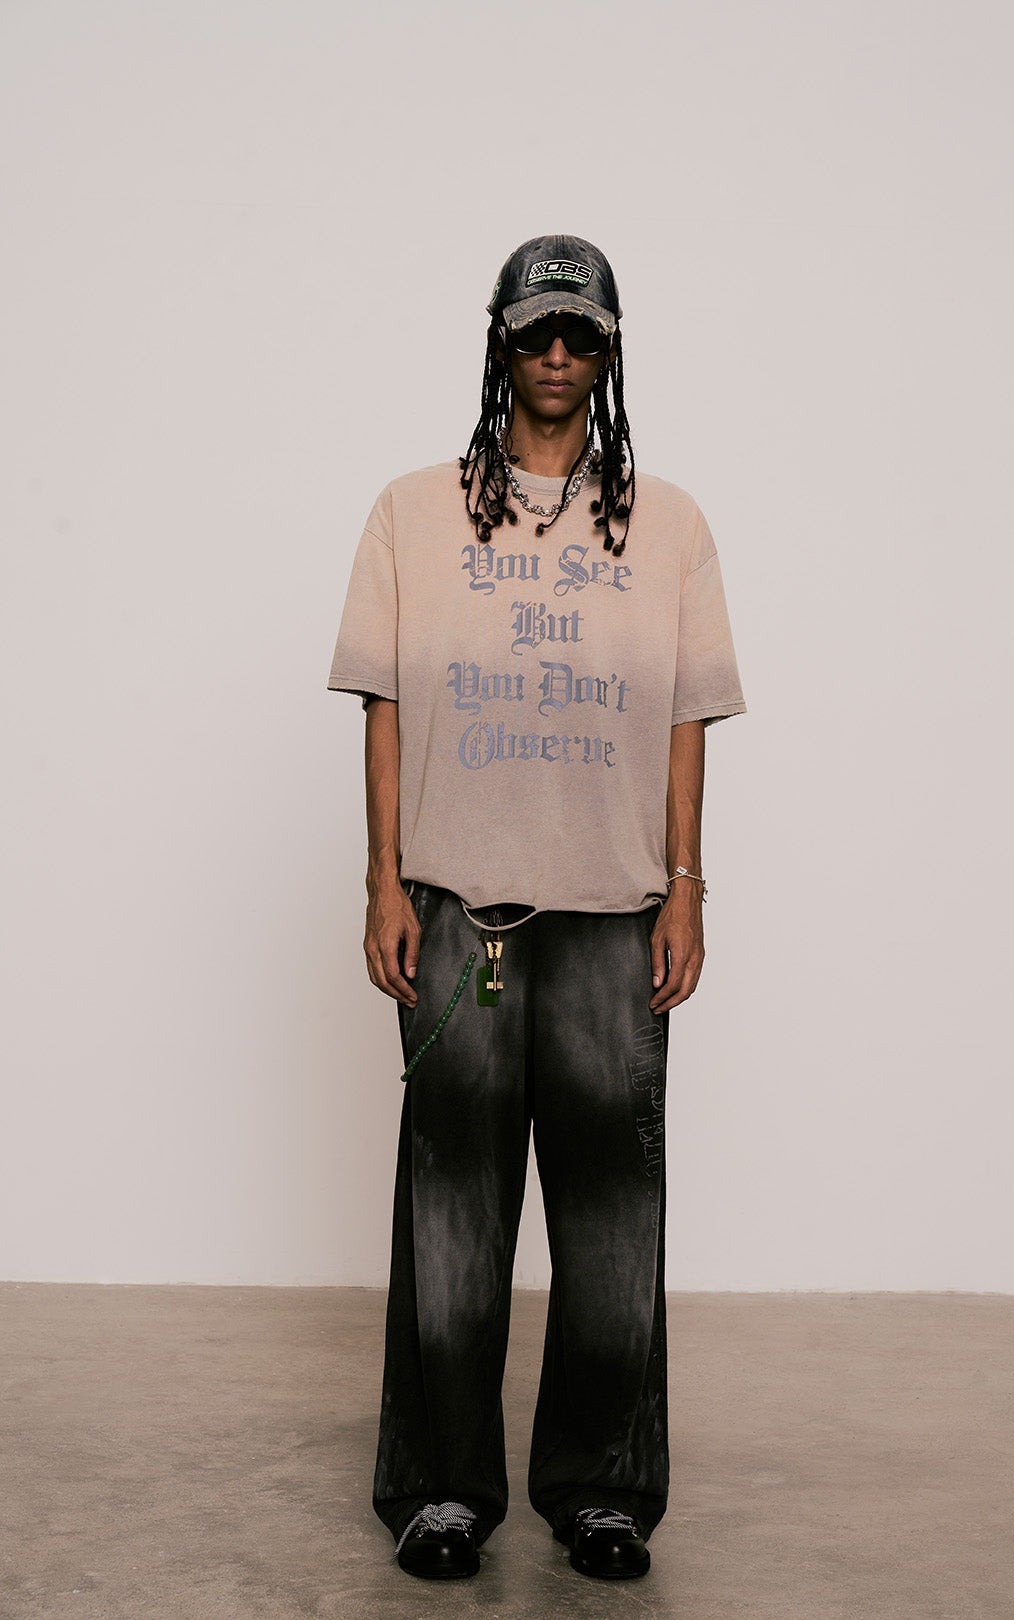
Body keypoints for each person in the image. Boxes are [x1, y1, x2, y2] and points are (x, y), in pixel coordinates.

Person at [327, 233, 747, 1581]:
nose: (556, 353)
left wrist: (687, 889)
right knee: (452, 1212)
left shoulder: (668, 524)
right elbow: (385, 705)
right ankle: (441, 1488)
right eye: (535, 331)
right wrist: (383, 879)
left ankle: (603, 1489)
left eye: (581, 333)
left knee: (614, 1215)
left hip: (616, 910)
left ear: (610, 349)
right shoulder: (413, 512)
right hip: (459, 911)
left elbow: (686, 720)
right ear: (499, 343)